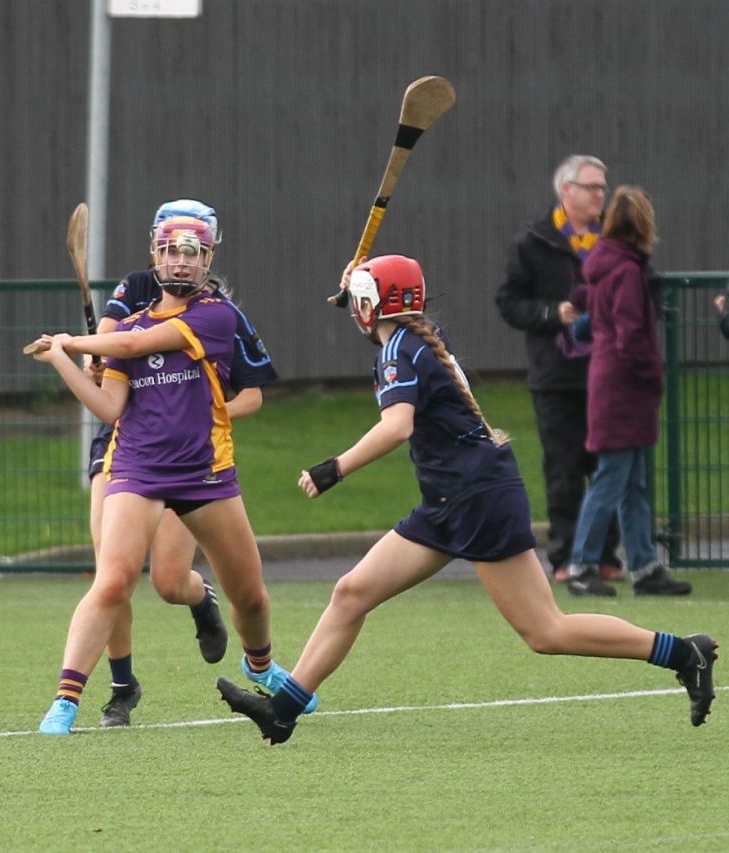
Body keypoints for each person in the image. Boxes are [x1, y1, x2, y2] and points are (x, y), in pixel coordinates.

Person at [217, 254, 718, 744]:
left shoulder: (399, 350)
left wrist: (335, 468)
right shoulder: (417, 340)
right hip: (449, 501)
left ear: (372, 305)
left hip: (476, 499)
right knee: (352, 591)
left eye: (360, 301)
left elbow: (397, 426)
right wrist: (359, 285)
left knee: (546, 632)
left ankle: (682, 653)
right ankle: (282, 712)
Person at [27, 208, 290, 735]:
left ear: (208, 260)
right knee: (114, 579)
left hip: (205, 472)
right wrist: (62, 359)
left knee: (251, 595)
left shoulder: (216, 316)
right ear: (155, 256)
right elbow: (108, 409)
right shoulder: (129, 323)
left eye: (192, 253)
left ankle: (261, 666)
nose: (181, 262)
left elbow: (127, 347)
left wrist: (75, 342)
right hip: (138, 470)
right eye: (171, 251)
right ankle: (66, 700)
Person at [497, 155, 624, 586]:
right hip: (556, 378)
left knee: (607, 467)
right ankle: (566, 557)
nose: (600, 195)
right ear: (566, 191)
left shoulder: (617, 237)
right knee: (564, 469)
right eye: (592, 187)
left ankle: (607, 556)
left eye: (603, 187)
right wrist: (555, 313)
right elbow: (509, 303)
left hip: (609, 372)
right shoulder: (533, 241)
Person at [565, 187, 691, 596]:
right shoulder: (629, 272)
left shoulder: (605, 266)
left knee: (631, 481)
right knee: (612, 479)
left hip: (610, 384)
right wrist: (654, 374)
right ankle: (582, 565)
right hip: (625, 388)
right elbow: (631, 334)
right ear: (642, 225)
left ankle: (643, 564)